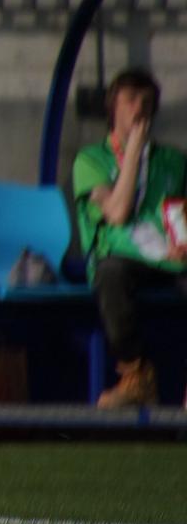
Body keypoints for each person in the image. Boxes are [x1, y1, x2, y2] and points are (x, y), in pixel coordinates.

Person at [69, 70, 184, 412]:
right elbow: (117, 213)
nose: (140, 108)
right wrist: (133, 150)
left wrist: (184, 241)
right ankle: (136, 376)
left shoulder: (174, 162)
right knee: (110, 274)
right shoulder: (91, 161)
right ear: (112, 108)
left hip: (169, 256)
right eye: (131, 99)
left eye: (147, 102)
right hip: (123, 254)